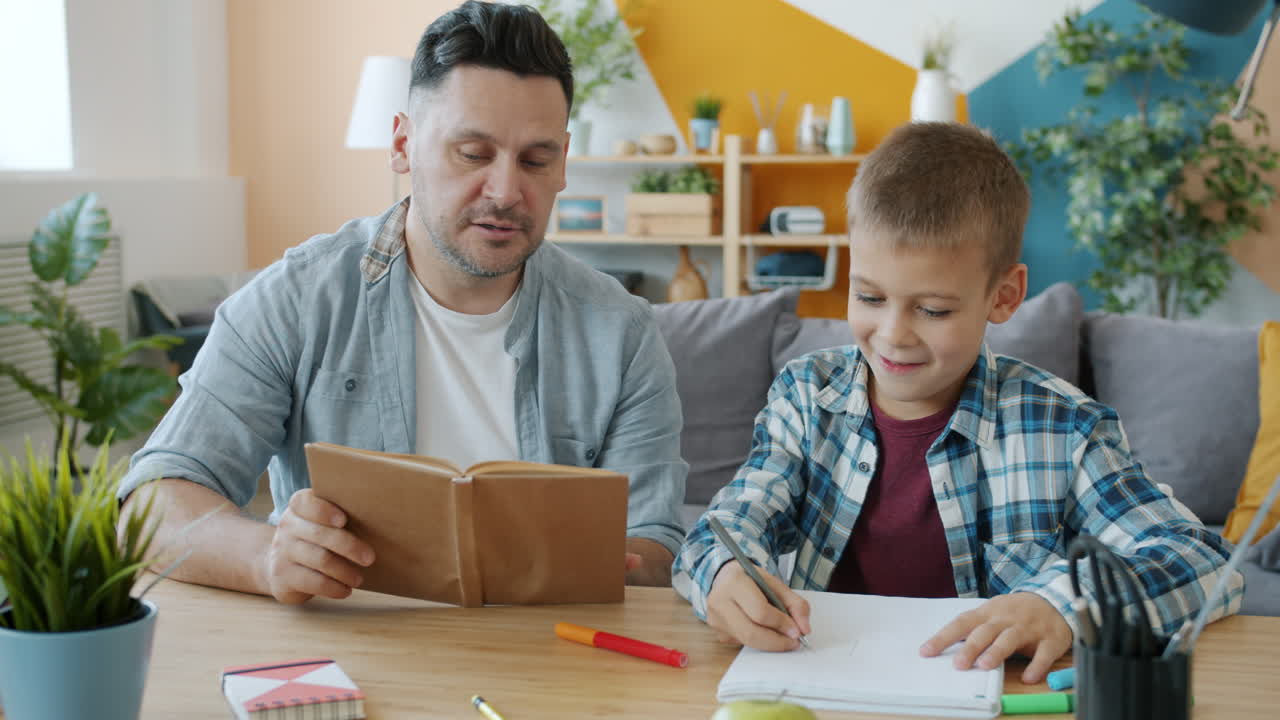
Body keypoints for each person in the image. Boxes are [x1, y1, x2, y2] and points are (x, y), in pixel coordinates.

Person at [119, 0, 686, 603]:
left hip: (554, 655)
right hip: (351, 652)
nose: (505, 190)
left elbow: (652, 541)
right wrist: (266, 557)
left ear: (563, 162)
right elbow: (150, 504)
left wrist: (618, 563)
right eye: (472, 153)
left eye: (535, 160)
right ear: (402, 144)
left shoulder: (622, 332)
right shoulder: (295, 300)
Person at [672, 122, 1242, 684]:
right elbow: (727, 524)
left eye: (934, 310)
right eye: (869, 295)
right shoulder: (804, 398)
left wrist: (1062, 607)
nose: (893, 334)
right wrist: (723, 574)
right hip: (827, 687)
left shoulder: (1065, 427)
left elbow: (1203, 562)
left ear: (1005, 296)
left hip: (984, 694)